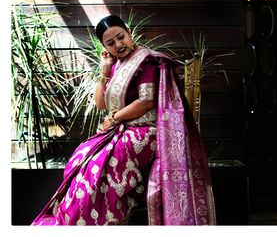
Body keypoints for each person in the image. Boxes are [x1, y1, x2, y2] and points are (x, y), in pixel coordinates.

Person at [32, 14, 216, 225]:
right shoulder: (116, 64)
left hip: (146, 130)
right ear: (104, 46)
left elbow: (146, 102)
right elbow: (100, 103)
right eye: (110, 43)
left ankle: (105, 217)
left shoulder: (145, 62)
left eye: (121, 37)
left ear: (128, 32)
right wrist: (104, 70)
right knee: (82, 156)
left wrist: (114, 117)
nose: (118, 45)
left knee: (105, 161)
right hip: (123, 128)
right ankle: (76, 217)